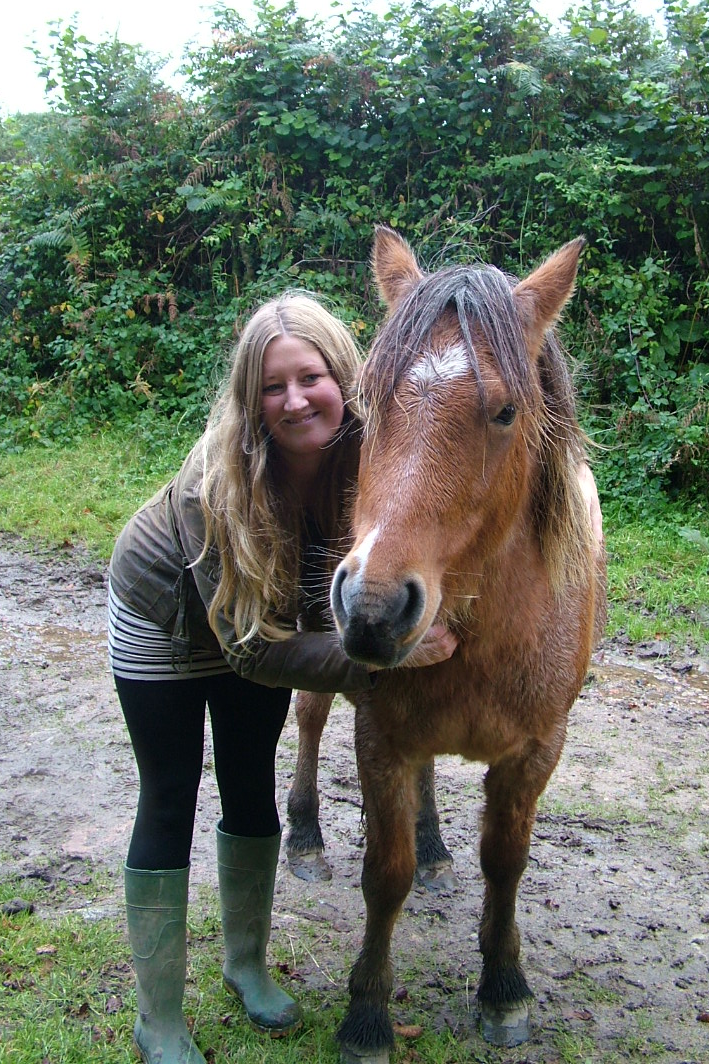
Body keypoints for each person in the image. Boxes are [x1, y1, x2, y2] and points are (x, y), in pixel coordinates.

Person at [107, 291, 457, 1064]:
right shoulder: (217, 481)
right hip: (167, 619)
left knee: (248, 781)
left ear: (346, 374)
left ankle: (245, 967)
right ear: (249, 398)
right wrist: (389, 659)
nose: (295, 400)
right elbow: (251, 653)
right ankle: (158, 1017)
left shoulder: (375, 449)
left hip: (264, 622)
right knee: (169, 794)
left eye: (312, 377)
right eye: (272, 386)